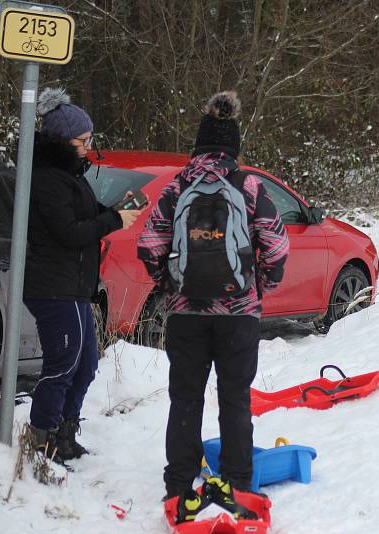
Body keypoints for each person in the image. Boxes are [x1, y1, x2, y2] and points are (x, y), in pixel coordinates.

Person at [137, 91, 289, 522]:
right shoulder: (250, 186)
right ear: (233, 148)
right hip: (239, 314)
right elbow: (277, 248)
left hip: (186, 314)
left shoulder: (176, 186)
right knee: (235, 397)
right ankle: (238, 480)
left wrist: (169, 285)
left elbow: (149, 244)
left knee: (185, 397)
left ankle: (179, 484)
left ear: (199, 146)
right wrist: (260, 287)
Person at [24, 88, 142, 461]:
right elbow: (69, 231)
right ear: (62, 140)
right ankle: (42, 439)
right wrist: (114, 220)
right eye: (82, 140)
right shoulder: (46, 178)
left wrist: (116, 209)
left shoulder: (69, 176)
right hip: (53, 285)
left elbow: (86, 213)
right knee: (64, 362)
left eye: (90, 139)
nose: (88, 147)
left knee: (87, 363)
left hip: (73, 285)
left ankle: (65, 431)